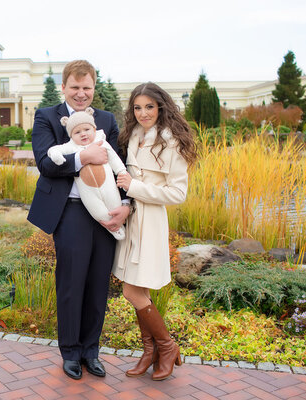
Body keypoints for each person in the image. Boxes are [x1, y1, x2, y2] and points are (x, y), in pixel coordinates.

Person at [27, 60, 130, 380]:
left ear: (93, 88)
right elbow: (46, 163)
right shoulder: (46, 117)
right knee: (72, 284)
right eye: (75, 87)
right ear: (64, 87)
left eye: (87, 88)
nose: (81, 94)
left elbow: (121, 163)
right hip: (69, 210)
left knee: (99, 282)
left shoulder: (107, 120)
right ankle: (70, 352)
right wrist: (83, 156)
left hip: (106, 209)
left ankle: (91, 351)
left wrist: (127, 204)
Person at [113, 82, 197, 381]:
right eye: (137, 107)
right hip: (132, 218)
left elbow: (177, 193)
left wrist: (135, 187)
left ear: (161, 106)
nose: (143, 113)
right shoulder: (132, 136)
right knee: (139, 289)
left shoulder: (171, 142)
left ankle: (167, 345)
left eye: (149, 106)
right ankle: (150, 352)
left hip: (151, 221)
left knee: (131, 290)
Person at [47, 107, 129, 240]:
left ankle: (118, 224)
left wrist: (121, 171)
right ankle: (114, 229)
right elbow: (54, 149)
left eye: (87, 129)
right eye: (77, 132)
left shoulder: (101, 142)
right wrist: (56, 155)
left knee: (114, 204)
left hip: (108, 187)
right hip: (88, 192)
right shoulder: (71, 146)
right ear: (71, 136)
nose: (83, 134)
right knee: (97, 210)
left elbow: (114, 158)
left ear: (94, 129)